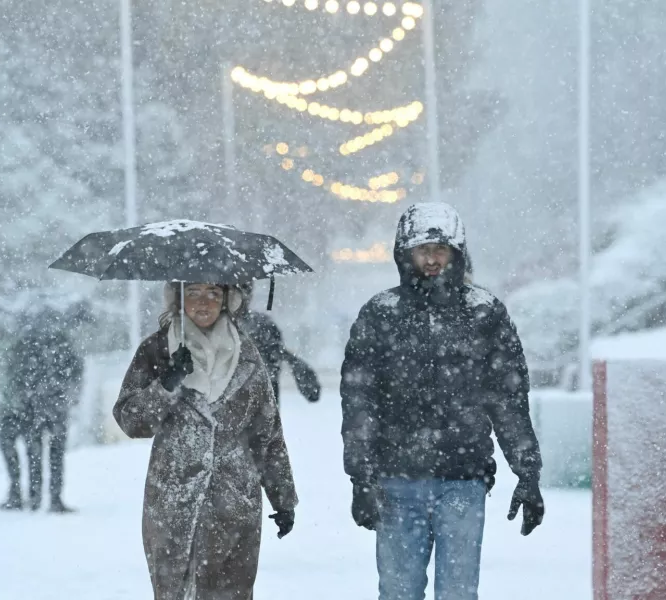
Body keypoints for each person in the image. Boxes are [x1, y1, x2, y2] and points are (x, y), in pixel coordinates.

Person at [340, 202, 545, 600]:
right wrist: (360, 477)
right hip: (396, 480)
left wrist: (528, 472)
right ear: (404, 254)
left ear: (457, 253)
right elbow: (359, 401)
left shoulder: (485, 312)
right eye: (422, 249)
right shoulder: (380, 314)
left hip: (463, 479)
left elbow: (508, 399)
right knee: (399, 592)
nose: (432, 259)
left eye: (441, 249)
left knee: (458, 592)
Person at [113, 281, 298, 600]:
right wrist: (166, 384)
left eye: (213, 293)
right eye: (193, 293)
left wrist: (282, 498)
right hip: (173, 504)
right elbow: (131, 420)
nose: (203, 303)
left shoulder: (247, 354)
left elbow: (267, 432)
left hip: (235, 505)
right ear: (178, 298)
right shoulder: (156, 349)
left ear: (228, 299)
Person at [0, 311, 84, 512]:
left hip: (35, 409)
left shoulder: (26, 345)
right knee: (54, 455)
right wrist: (68, 393)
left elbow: (16, 374)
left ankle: (36, 497)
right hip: (54, 407)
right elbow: (77, 369)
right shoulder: (61, 343)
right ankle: (53, 498)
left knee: (35, 454)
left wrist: (26, 396)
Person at [235, 282, 321, 405]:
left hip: (259, 407)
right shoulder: (261, 325)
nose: (242, 296)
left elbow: (280, 354)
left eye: (244, 290)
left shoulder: (262, 325)